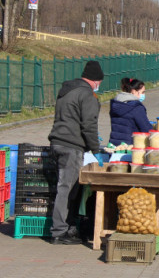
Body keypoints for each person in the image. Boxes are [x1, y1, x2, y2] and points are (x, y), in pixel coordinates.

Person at [47, 60, 104, 245]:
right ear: (96, 80)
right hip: (71, 146)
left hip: (57, 143)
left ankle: (68, 226)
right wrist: (96, 149)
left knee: (68, 188)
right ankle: (59, 232)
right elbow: (89, 124)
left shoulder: (67, 90)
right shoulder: (86, 94)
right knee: (66, 189)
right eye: (99, 83)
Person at [108, 77, 153, 146]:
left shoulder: (116, 105)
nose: (143, 95)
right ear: (134, 91)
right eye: (142, 92)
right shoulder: (136, 107)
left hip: (114, 145)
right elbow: (146, 129)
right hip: (130, 146)